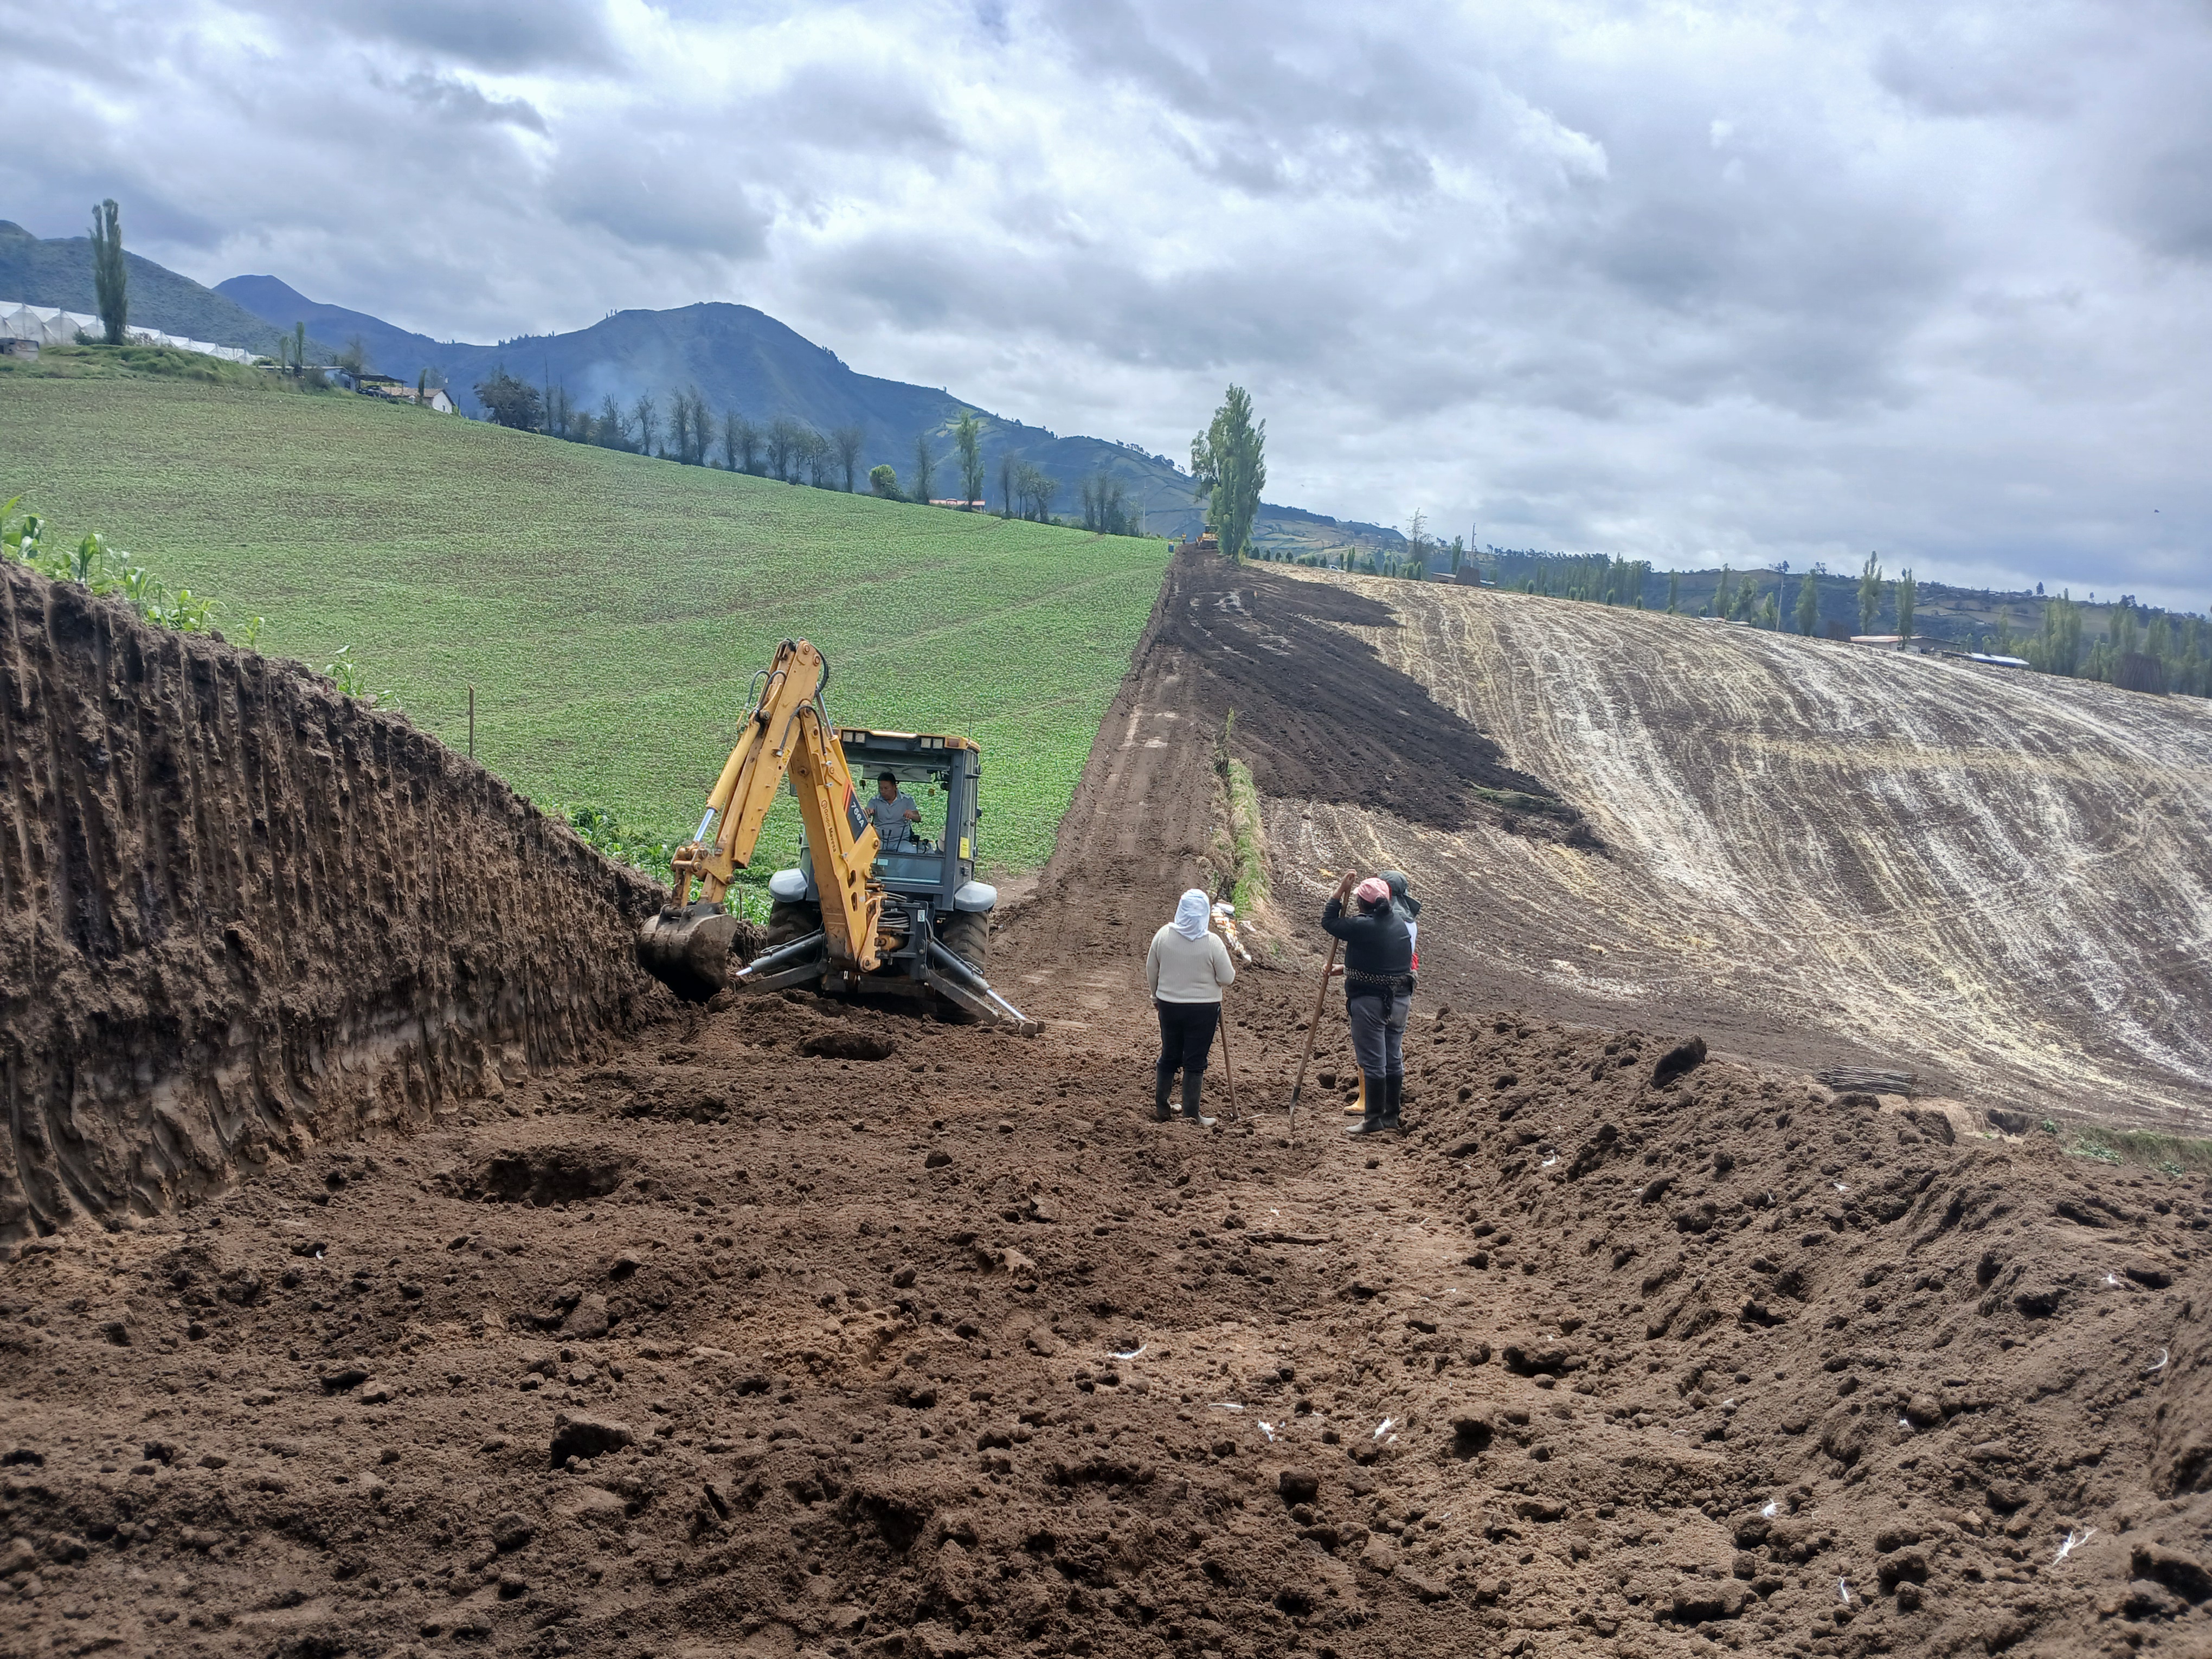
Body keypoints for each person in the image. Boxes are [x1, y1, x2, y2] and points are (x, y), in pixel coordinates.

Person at [1323, 872, 1415, 1136]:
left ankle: (1372, 1118)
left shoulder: (1362, 926)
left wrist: (1339, 891)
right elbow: (1384, 960)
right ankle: (1391, 1116)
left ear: (1361, 904)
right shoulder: (1400, 924)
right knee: (1393, 1057)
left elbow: (1329, 921)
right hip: (1400, 1000)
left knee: (1374, 1060)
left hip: (1371, 1002)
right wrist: (1347, 968)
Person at [1144, 888, 1236, 1126]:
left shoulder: (1164, 936)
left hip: (1169, 1006)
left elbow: (1152, 968)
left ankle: (1163, 1107)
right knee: (1195, 1060)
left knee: (1169, 1055)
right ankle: (1191, 1114)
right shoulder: (1212, 943)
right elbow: (1227, 978)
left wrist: (1155, 997)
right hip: (1203, 1010)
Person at [863, 772, 921, 850]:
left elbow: (918, 818)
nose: (883, 791)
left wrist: (912, 815)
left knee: (910, 851)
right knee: (867, 849)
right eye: (881, 788)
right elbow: (866, 814)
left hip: (901, 842)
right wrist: (867, 812)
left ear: (895, 787)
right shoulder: (874, 801)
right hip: (880, 841)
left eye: (886, 788)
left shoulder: (907, 800)